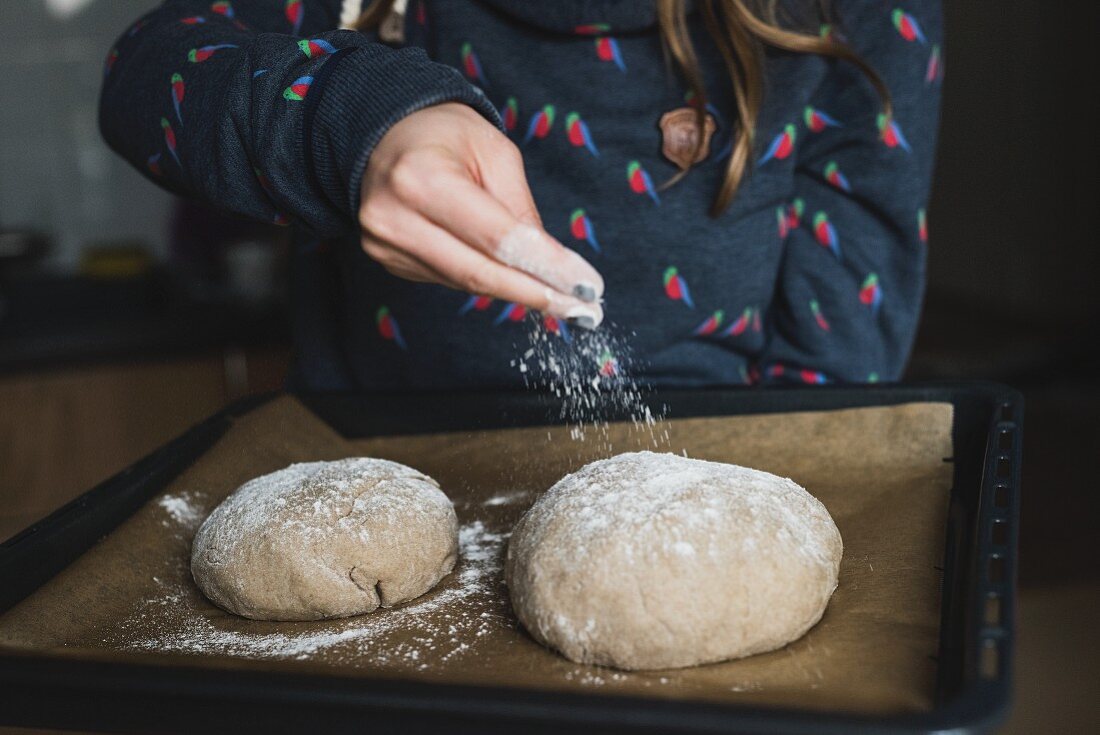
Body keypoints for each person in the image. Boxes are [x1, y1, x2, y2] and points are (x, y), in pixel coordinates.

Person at [101, 0, 942, 390]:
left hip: (711, 481)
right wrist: (342, 119)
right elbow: (144, 74)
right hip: (378, 468)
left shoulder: (855, 15)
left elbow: (840, 375)